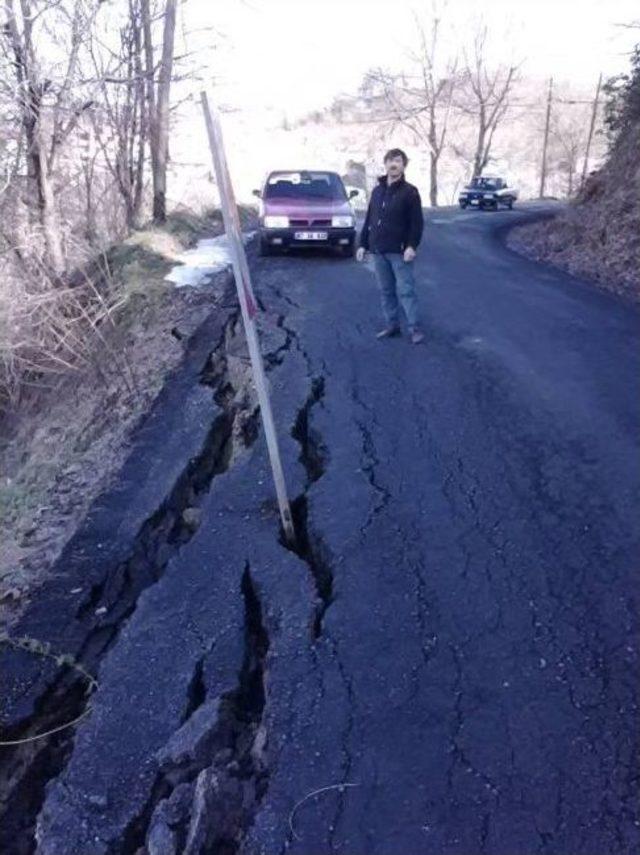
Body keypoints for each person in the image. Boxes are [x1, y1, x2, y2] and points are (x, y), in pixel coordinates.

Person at [356, 149, 425, 345]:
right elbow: (370, 219)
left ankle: (415, 329)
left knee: (406, 290)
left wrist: (412, 246)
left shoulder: (410, 192)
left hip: (400, 251)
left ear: (404, 165)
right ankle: (392, 325)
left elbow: (416, 223)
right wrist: (363, 244)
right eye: (390, 160)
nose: (393, 164)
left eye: (398, 161)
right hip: (379, 250)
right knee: (386, 291)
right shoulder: (377, 191)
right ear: (385, 164)